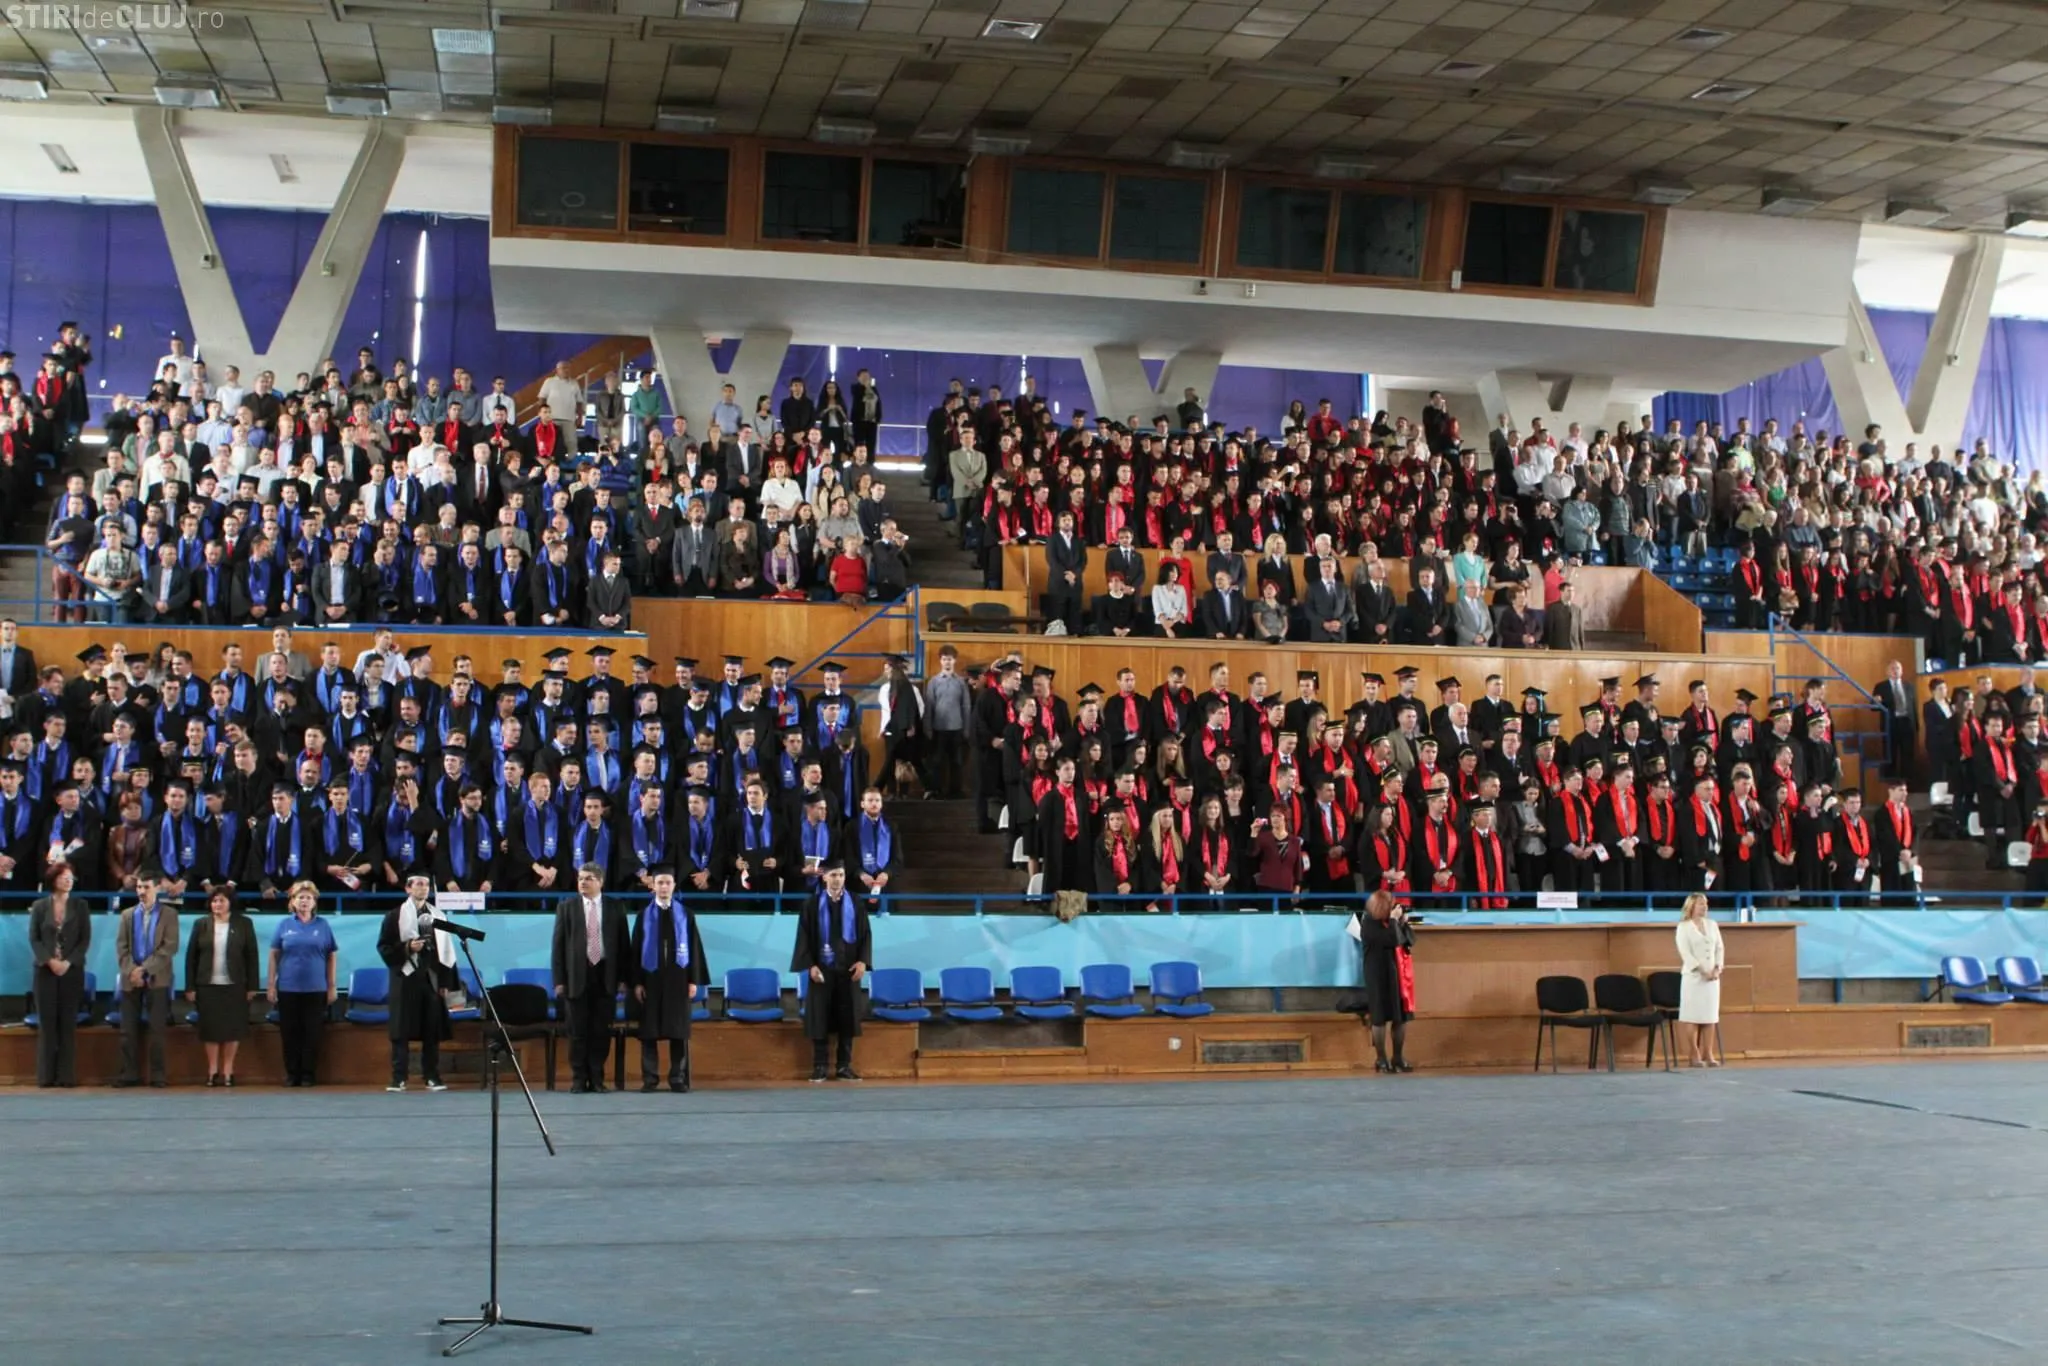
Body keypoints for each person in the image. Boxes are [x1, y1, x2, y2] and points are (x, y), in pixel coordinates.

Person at [552, 861, 630, 1094]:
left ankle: (597, 1078)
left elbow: (623, 946)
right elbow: (558, 947)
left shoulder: (615, 907)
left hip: (605, 975)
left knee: (601, 1031)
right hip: (576, 977)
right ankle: (579, 1078)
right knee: (577, 1032)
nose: (583, 882)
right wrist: (559, 980)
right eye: (580, 878)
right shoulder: (566, 907)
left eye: (588, 878)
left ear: (600, 882)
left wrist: (624, 978)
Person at [630, 865, 708, 1093]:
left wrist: (693, 980)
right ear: (653, 886)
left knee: (678, 1031)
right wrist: (637, 982)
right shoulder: (643, 916)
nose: (664, 887)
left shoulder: (686, 915)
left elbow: (694, 948)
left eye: (668, 883)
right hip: (650, 980)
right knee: (649, 1033)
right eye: (660, 883)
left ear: (674, 886)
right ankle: (650, 1079)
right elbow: (635, 950)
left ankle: (677, 1078)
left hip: (678, 979)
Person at [791, 859, 870, 1082]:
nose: (838, 879)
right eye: (833, 875)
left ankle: (844, 1066)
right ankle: (820, 1066)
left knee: (847, 1018)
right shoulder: (811, 904)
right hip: (822, 971)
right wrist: (810, 966)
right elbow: (803, 937)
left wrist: (863, 961)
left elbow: (865, 934)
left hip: (848, 970)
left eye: (841, 875)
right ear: (824, 877)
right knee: (820, 1019)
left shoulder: (855, 902)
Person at [377, 871, 453, 1092]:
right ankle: (399, 1077)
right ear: (408, 888)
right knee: (401, 1030)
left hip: (431, 978)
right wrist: (408, 947)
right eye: (418, 884)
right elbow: (384, 947)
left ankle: (432, 1076)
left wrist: (445, 982)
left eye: (426, 885)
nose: (423, 888)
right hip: (405, 977)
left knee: (432, 1029)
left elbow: (447, 951)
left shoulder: (438, 916)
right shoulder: (394, 916)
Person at [184, 887, 259, 1086]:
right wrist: (190, 986)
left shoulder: (244, 923)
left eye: (221, 900)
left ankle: (228, 1070)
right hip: (207, 985)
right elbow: (191, 958)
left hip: (235, 985)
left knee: (233, 1029)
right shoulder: (201, 924)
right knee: (210, 1029)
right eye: (214, 901)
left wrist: (252, 986)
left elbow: (251, 956)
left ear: (230, 903)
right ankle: (212, 1070)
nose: (217, 904)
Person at [268, 880, 338, 1087]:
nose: (304, 901)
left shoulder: (323, 925)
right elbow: (273, 955)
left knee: (312, 1033)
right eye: (300, 897)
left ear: (314, 902)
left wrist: (331, 985)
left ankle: (308, 1074)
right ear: (293, 901)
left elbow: (331, 956)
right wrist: (271, 985)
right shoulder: (284, 925)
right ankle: (292, 1074)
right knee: (289, 1033)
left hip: (316, 988)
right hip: (288, 988)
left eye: (308, 897)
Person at [27, 860, 89, 1087]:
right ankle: (45, 1076)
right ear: (54, 880)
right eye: (64, 877)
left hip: (71, 972)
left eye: (71, 878)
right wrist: (49, 961)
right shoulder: (40, 906)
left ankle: (66, 1076)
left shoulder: (81, 906)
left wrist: (68, 962)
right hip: (45, 971)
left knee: (67, 1024)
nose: (68, 881)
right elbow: (34, 938)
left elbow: (84, 940)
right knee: (47, 1024)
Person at [114, 870, 177, 1088]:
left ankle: (157, 1075)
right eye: (139, 887)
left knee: (157, 1030)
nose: (141, 891)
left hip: (157, 978)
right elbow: (121, 948)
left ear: (158, 888)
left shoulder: (169, 914)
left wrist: (145, 970)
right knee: (127, 1031)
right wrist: (133, 971)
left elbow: (169, 948)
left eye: (146, 887)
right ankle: (129, 1073)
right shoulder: (127, 915)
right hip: (130, 979)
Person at [1355, 888, 1414, 1073]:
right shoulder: (1369, 923)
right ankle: (1381, 1058)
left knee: (1400, 1018)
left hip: (1397, 974)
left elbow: (1409, 940)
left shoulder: (1391, 922)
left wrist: (1403, 923)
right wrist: (1395, 921)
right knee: (1379, 1018)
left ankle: (1398, 1057)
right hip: (1377, 973)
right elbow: (1393, 940)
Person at [1674, 892, 1724, 1067]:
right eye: (1701, 904)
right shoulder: (1683, 927)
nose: (1705, 907)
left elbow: (1719, 948)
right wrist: (1702, 971)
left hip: (1712, 979)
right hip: (1693, 978)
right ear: (1692, 906)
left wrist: (1717, 968)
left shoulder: (1712, 925)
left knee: (1710, 1016)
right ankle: (1694, 1053)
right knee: (1693, 1016)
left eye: (1706, 904)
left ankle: (1708, 1053)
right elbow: (1685, 953)